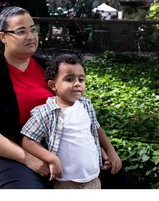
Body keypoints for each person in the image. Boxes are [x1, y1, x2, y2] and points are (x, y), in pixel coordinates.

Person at [0, 6, 129, 189]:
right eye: (21, 31)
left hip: (49, 146)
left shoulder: (48, 68)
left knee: (115, 174)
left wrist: (95, 147)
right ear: (3, 37)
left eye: (33, 29)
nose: (31, 36)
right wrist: (28, 158)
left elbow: (78, 110)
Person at [20, 55, 122, 189]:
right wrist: (51, 158)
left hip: (93, 180)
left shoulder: (85, 105)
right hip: (66, 183)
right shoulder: (46, 112)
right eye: (69, 79)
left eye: (81, 79)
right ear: (52, 85)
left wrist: (111, 150)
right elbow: (28, 141)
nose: (77, 83)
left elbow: (96, 128)